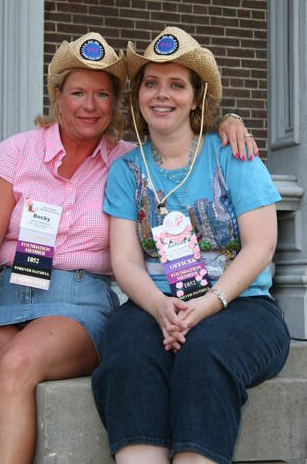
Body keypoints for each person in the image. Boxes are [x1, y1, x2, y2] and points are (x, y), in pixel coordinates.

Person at [0, 30, 253, 464]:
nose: (89, 106)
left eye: (101, 94)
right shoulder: (17, 152)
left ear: (114, 102)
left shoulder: (128, 161)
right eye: (77, 92)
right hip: (4, 295)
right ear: (57, 95)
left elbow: (185, 142)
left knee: (15, 363)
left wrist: (227, 123)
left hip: (78, 302)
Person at [92, 27, 290, 464]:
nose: (162, 95)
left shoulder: (230, 152)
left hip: (242, 304)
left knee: (204, 356)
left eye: (177, 85)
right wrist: (162, 307)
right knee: (126, 354)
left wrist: (210, 304)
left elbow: (261, 245)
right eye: (151, 83)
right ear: (139, 94)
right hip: (153, 303)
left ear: (196, 98)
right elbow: (124, 259)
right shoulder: (127, 170)